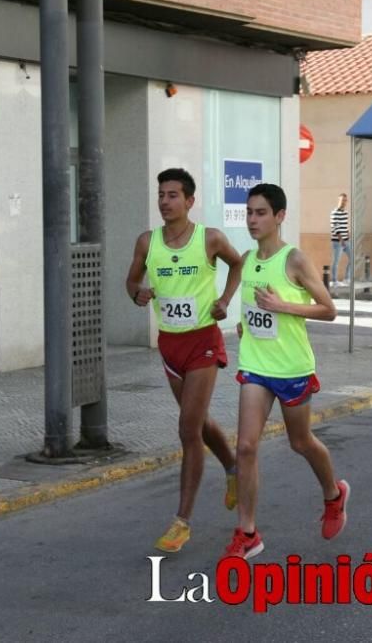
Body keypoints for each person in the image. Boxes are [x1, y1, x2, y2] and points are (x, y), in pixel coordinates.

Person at [223, 183, 349, 560]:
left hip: (292, 367)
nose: (252, 220)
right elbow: (252, 311)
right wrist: (247, 325)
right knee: (245, 447)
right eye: (249, 212)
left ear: (280, 217)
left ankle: (333, 494)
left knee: (301, 442)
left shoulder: (293, 259)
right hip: (256, 366)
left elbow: (329, 310)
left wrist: (284, 307)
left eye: (261, 213)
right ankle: (247, 532)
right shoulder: (246, 260)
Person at [125, 168, 242, 553]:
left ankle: (182, 521)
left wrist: (224, 301)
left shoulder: (209, 239)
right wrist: (138, 294)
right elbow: (131, 282)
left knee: (187, 428)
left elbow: (237, 263)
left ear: (189, 201)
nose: (164, 201)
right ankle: (232, 469)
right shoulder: (147, 241)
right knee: (199, 421)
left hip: (203, 341)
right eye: (161, 194)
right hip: (170, 346)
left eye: (173, 195)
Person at [329, 193, 351, 287]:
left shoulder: (345, 213)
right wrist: (341, 239)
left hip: (346, 240)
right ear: (339, 200)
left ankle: (346, 278)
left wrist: (348, 234)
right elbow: (335, 226)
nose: (344, 202)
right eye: (342, 200)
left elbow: (345, 226)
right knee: (336, 261)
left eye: (345, 200)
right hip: (337, 241)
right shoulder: (334, 212)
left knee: (352, 258)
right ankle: (334, 281)